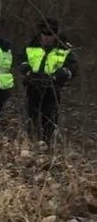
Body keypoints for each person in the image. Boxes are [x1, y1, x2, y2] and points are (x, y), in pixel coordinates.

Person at [18, 17, 77, 145]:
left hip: (52, 88)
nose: (47, 37)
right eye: (44, 34)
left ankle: (48, 144)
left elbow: (73, 67)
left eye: (50, 34)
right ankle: (31, 141)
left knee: (50, 119)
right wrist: (27, 71)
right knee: (31, 117)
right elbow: (20, 61)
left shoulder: (64, 49)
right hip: (32, 86)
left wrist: (62, 73)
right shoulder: (30, 46)